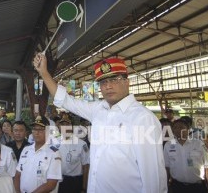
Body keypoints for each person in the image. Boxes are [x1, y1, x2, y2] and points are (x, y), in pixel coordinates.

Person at [33, 54, 167, 193]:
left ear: (127, 82)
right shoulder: (98, 109)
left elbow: (154, 178)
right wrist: (43, 72)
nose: (108, 86)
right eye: (103, 82)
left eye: (114, 79)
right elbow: (65, 100)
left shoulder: (143, 118)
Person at [163, 119, 208, 193]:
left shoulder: (198, 144)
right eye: (175, 127)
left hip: (197, 187)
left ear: (188, 130)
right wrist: (165, 185)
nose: (178, 129)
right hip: (177, 187)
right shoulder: (168, 145)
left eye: (181, 127)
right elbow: (166, 167)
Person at [15, 115, 62, 193]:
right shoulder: (26, 149)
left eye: (41, 130)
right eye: (34, 129)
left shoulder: (54, 153)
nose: (37, 132)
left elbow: (51, 184)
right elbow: (17, 175)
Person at [57, 118, 89, 193]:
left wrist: (84, 188)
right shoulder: (54, 142)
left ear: (71, 127)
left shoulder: (82, 144)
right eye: (62, 124)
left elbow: (86, 167)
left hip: (75, 182)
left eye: (67, 124)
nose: (65, 127)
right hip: (58, 181)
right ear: (59, 127)